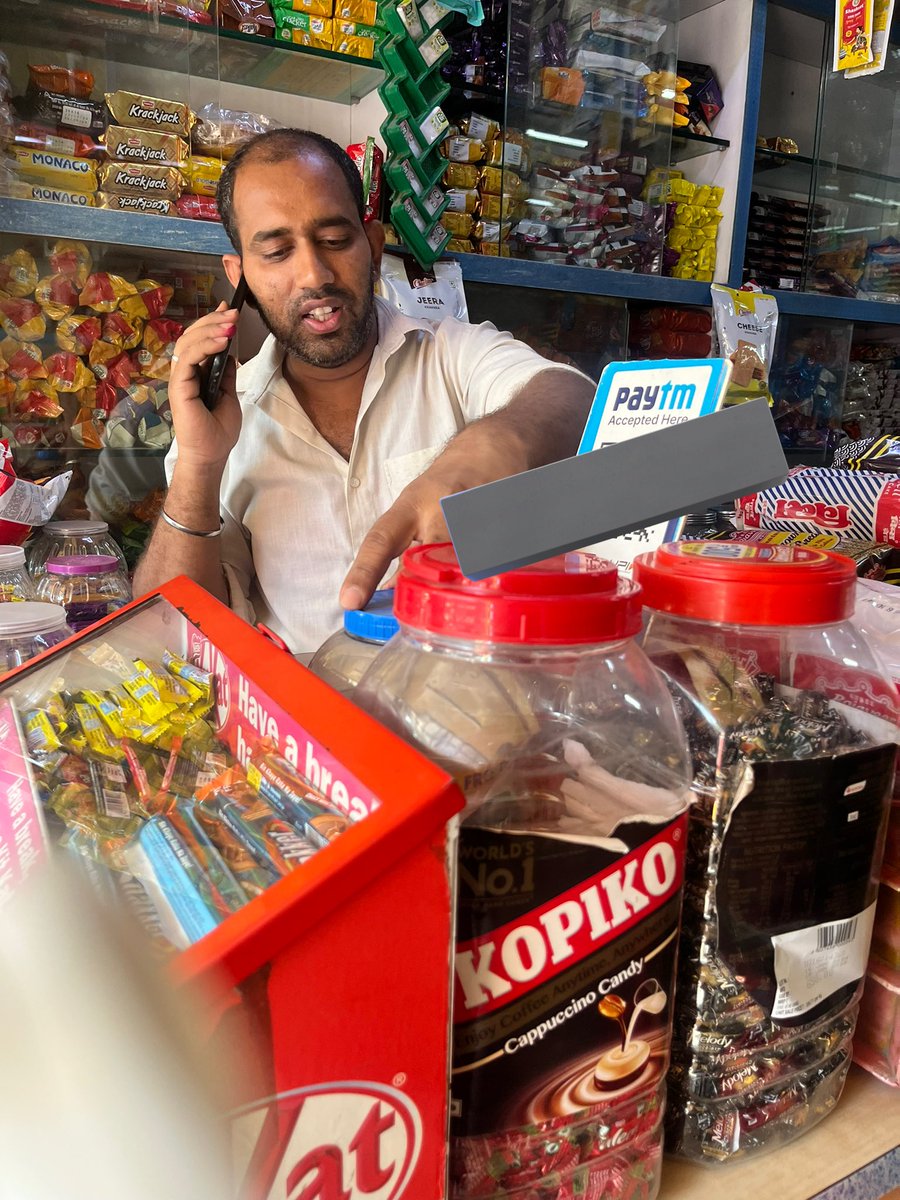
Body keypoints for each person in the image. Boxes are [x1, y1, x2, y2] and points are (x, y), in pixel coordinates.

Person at [133, 129, 596, 655]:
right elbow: (174, 631)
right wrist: (199, 461)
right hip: (297, 728)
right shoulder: (224, 424)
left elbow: (569, 396)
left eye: (334, 241)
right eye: (278, 252)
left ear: (372, 246)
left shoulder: (450, 355)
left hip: (468, 709)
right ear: (241, 277)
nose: (314, 274)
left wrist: (480, 454)